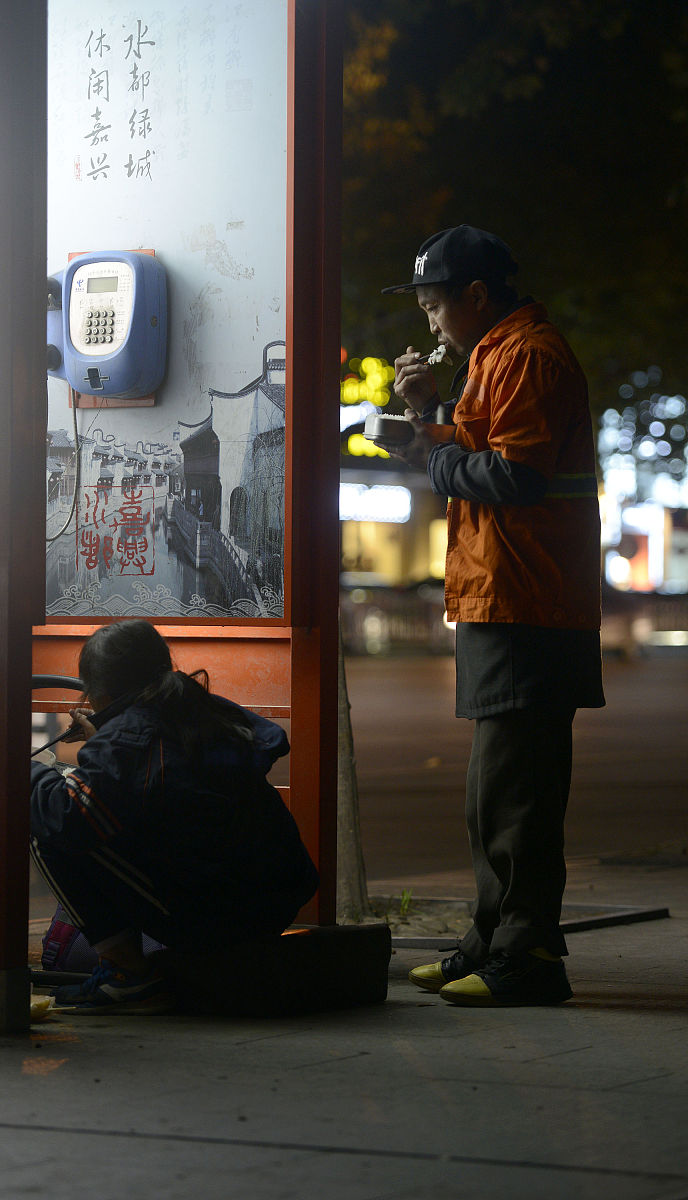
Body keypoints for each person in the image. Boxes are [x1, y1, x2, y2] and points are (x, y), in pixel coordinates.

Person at [379, 224, 605, 1006]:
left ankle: (530, 954)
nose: (430, 323)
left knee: (519, 790)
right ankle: (492, 937)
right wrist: (424, 415)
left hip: (529, 600)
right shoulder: (493, 355)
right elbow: (480, 449)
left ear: (476, 297)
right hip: (502, 593)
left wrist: (437, 456)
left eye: (436, 306)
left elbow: (515, 476)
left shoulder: (529, 355)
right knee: (493, 789)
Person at [30, 619, 319, 1013]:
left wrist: (24, 768)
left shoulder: (128, 737)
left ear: (95, 689)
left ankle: (130, 977)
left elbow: (68, 818)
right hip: (278, 896)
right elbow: (164, 776)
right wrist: (105, 736)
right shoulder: (198, 707)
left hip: (219, 914)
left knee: (50, 827)